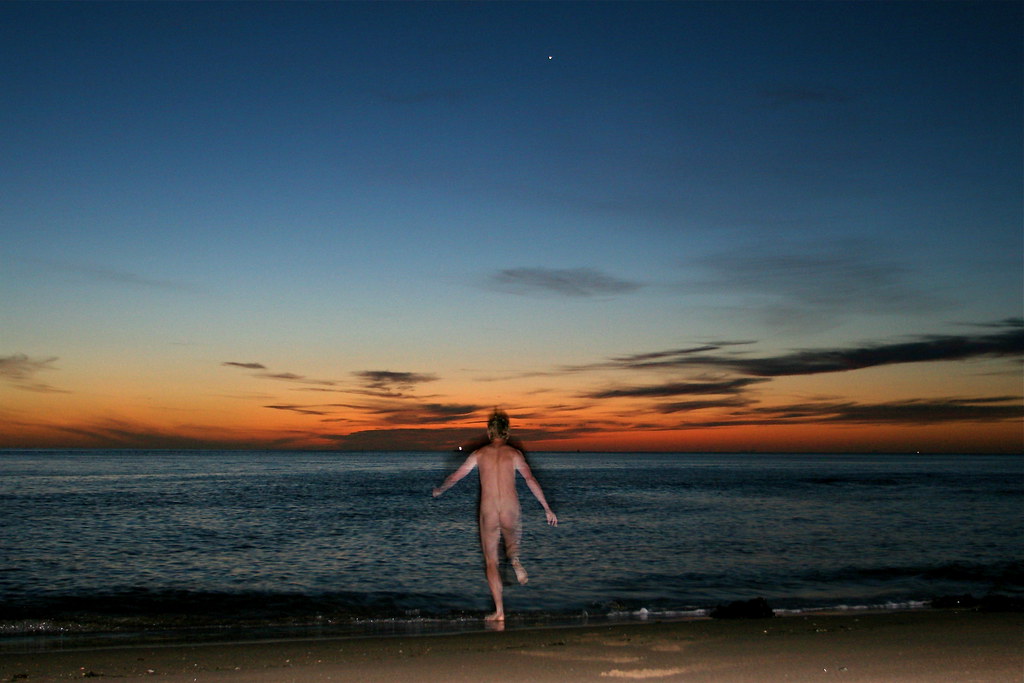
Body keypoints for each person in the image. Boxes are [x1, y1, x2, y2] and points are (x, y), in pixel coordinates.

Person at [432, 409, 558, 622]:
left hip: (489, 510)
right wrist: (547, 507)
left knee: (491, 562)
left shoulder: (479, 454)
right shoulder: (514, 454)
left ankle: (499, 612)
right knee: (511, 542)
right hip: (510, 507)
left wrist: (440, 489)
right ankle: (515, 559)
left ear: (490, 433)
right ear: (506, 433)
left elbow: (457, 476)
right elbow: (530, 480)